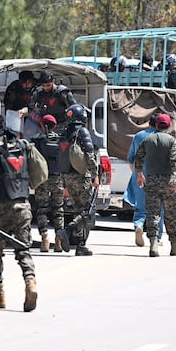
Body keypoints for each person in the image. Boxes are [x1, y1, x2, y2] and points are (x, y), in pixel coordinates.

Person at [0, 114, 37, 312]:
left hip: (1, 209)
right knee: (23, 249)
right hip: (23, 206)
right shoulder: (22, 146)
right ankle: (31, 284)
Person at [134, 113, 176, 258]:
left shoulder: (147, 140)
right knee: (171, 214)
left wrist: (139, 174)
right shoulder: (171, 141)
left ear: (156, 125)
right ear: (168, 126)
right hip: (169, 181)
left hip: (152, 181)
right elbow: (175, 160)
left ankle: (153, 244)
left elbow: (138, 157)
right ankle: (174, 245)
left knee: (153, 213)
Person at [56, 104, 100, 256]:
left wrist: (63, 182)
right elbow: (89, 154)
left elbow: (60, 157)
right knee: (87, 211)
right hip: (81, 176)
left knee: (78, 210)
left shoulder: (64, 133)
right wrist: (95, 174)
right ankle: (67, 232)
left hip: (67, 176)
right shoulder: (82, 131)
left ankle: (80, 244)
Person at [125, 113, 164, 247]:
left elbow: (131, 158)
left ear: (149, 123)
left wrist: (137, 174)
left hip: (140, 175)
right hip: (158, 177)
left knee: (140, 207)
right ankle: (157, 238)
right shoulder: (164, 138)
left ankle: (139, 225)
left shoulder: (139, 136)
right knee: (158, 208)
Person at [31, 114, 65, 252]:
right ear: (55, 125)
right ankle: (58, 240)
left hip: (42, 178)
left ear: (41, 125)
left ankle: (44, 237)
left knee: (42, 208)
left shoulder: (37, 140)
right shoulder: (61, 140)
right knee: (58, 209)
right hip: (57, 178)